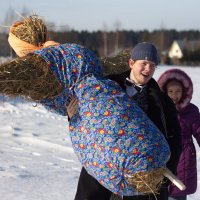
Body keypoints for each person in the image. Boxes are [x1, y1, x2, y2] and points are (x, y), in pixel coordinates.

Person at [69, 42, 182, 200]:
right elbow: (85, 115)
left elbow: (175, 138)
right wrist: (72, 115)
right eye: (143, 63)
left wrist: (164, 172)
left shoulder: (162, 102)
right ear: (131, 63)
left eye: (152, 65)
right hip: (102, 165)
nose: (148, 69)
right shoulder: (104, 86)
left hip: (140, 177)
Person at [157, 68, 200, 200]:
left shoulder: (191, 111)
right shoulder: (159, 109)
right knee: (160, 190)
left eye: (178, 92)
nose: (174, 95)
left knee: (179, 192)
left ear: (184, 92)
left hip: (184, 158)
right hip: (162, 155)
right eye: (170, 92)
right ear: (165, 92)